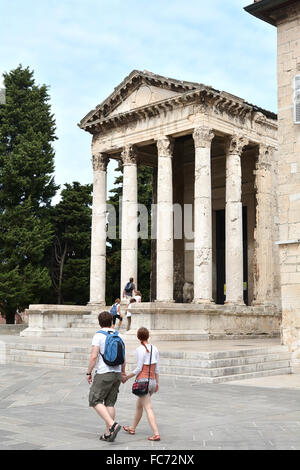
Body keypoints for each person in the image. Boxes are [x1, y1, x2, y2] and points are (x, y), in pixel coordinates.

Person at [86, 311, 126, 442]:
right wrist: (123, 372)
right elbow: (123, 357)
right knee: (110, 403)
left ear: (99, 322)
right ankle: (108, 433)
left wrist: (88, 372)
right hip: (117, 373)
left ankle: (112, 424)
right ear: (111, 322)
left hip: (104, 372)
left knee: (94, 399)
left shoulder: (98, 335)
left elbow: (93, 356)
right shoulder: (119, 335)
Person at [122, 327, 160, 441]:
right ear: (148, 336)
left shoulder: (139, 349)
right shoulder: (155, 348)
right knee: (139, 405)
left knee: (148, 408)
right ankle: (132, 428)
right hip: (152, 382)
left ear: (138, 337)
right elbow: (157, 369)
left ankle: (156, 433)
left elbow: (138, 369)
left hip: (143, 382)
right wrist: (157, 383)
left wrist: (126, 377)